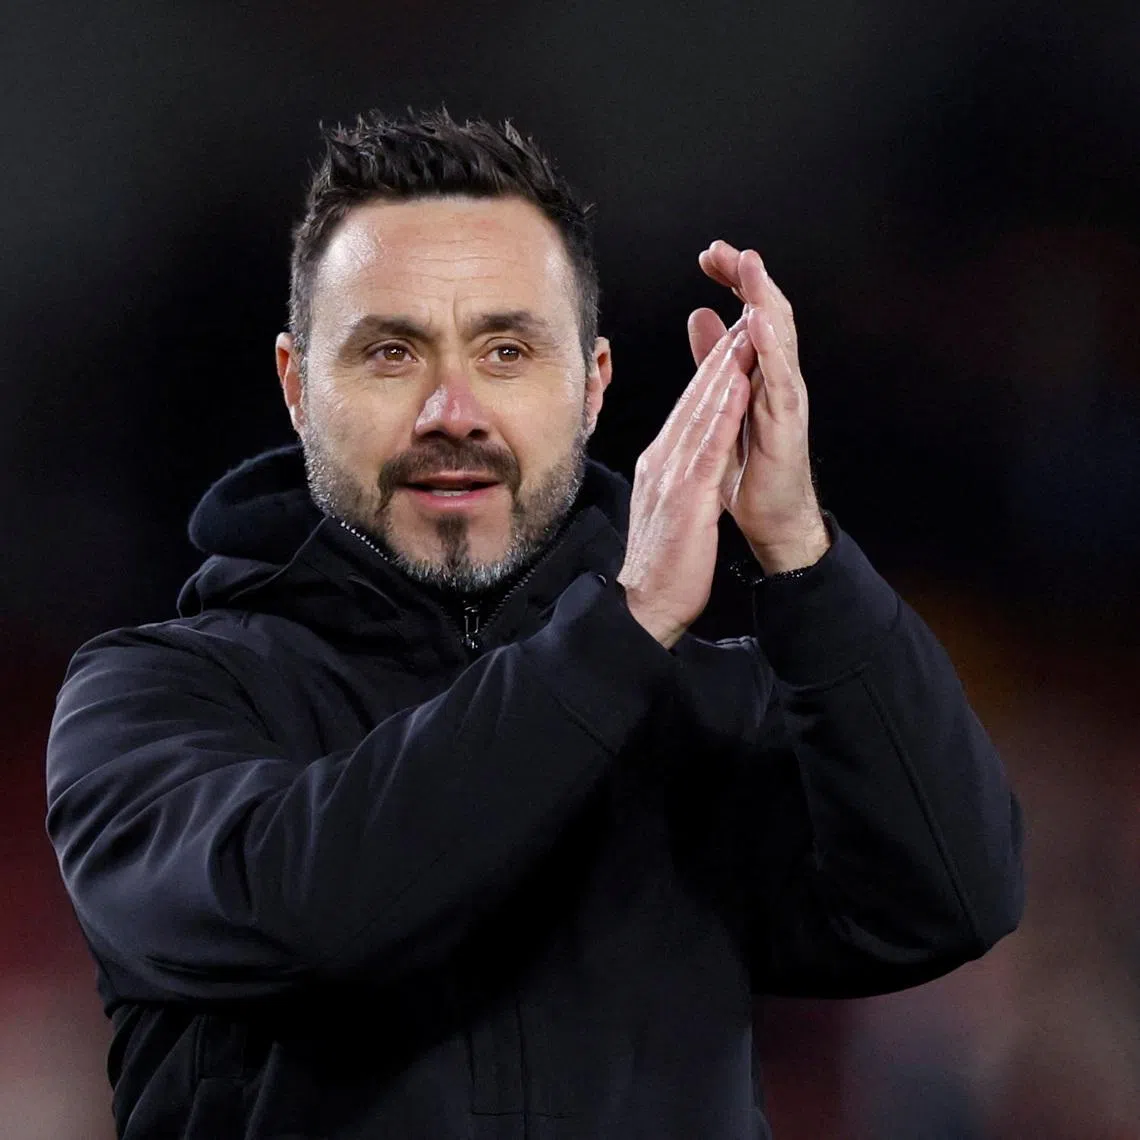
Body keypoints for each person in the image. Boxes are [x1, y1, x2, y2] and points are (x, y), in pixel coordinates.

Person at [45, 109, 1023, 1140]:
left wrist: (799, 550)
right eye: (391, 353)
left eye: (507, 349)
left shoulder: (701, 709)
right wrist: (624, 625)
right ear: (297, 387)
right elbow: (319, 911)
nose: (452, 410)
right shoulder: (154, 702)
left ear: (593, 388)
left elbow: (952, 898)